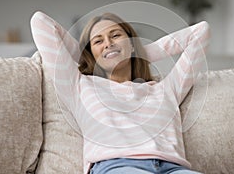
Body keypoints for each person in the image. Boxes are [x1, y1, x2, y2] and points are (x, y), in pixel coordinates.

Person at [30, 11, 210, 174]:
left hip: (173, 168)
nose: (108, 43)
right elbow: (40, 22)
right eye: (98, 41)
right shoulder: (79, 86)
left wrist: (137, 52)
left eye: (115, 35)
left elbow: (200, 32)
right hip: (117, 166)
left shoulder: (166, 89)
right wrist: (89, 57)